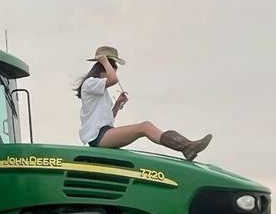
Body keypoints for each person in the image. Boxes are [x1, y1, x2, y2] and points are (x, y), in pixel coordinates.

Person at [75, 45, 212, 161]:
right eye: (112, 69)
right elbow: (113, 79)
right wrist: (105, 61)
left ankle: (186, 146)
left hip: (104, 132)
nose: (113, 72)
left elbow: (105, 119)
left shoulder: (98, 89)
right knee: (145, 127)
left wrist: (117, 105)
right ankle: (186, 147)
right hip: (98, 136)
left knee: (145, 127)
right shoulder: (90, 83)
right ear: (103, 69)